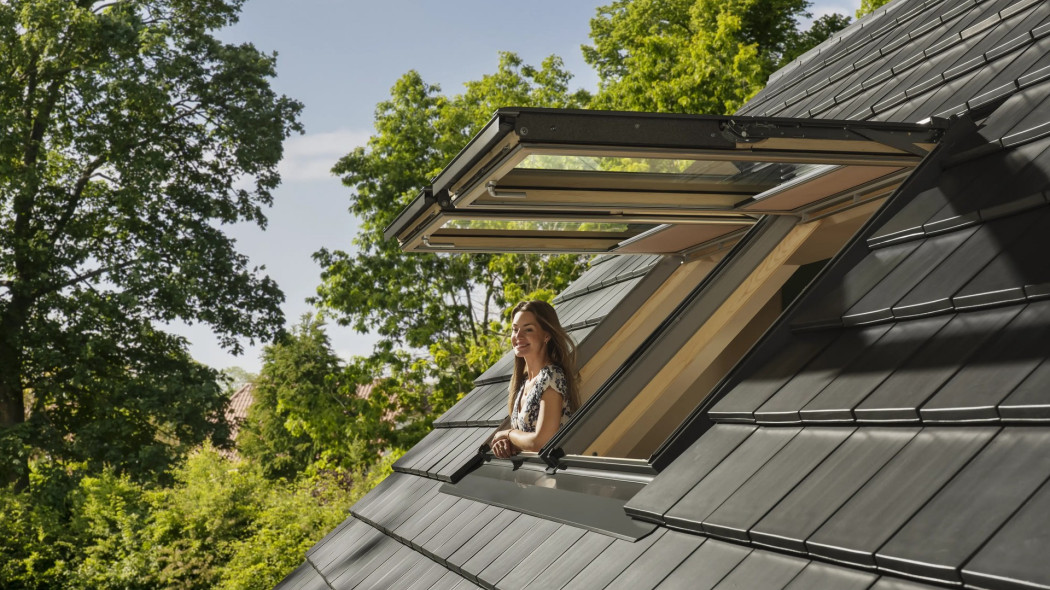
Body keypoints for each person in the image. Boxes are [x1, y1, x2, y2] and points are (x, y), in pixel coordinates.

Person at [491, 301, 580, 459]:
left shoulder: (552, 377)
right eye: (515, 329)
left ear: (546, 335)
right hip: (532, 478)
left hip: (555, 478)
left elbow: (541, 442)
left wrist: (508, 434)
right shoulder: (523, 383)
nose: (518, 336)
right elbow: (526, 441)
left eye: (528, 329)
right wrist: (508, 445)